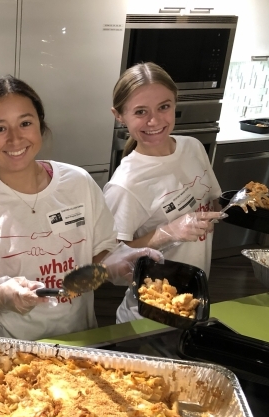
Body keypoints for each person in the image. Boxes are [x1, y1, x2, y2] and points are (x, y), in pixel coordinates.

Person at [0, 75, 162, 340]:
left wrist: (112, 264)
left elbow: (100, 254)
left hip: (77, 339)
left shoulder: (78, 183)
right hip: (8, 349)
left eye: (25, 123)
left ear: (40, 128)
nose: (14, 138)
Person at [103, 62, 224, 324]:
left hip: (192, 302)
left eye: (164, 107)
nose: (154, 120)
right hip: (148, 313)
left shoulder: (192, 147)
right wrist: (169, 232)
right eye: (140, 111)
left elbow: (211, 200)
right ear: (119, 115)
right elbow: (109, 266)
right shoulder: (125, 185)